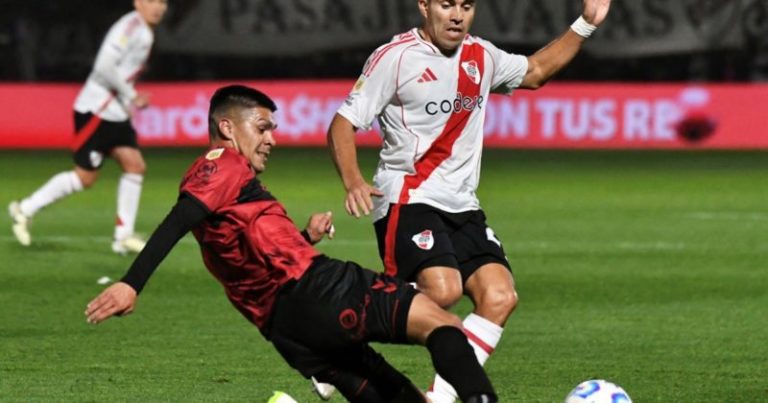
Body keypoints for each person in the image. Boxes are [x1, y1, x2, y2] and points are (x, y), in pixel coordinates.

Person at [84, 85, 499, 403]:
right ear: (227, 127)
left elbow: (242, 257)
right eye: (262, 128)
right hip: (319, 289)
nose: (271, 140)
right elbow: (181, 217)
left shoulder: (228, 189)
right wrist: (131, 283)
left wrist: (302, 239)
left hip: (289, 332)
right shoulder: (222, 163)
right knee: (445, 326)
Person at [327, 0, 612, 401]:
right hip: (408, 195)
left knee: (500, 296)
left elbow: (536, 71)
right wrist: (353, 180)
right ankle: (340, 341)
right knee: (442, 291)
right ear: (424, 6)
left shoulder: (482, 55)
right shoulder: (395, 58)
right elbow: (343, 123)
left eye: (466, 5)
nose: (457, 15)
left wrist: (586, 23)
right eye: (446, 5)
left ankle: (439, 398)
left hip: (463, 204)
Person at [8, 0, 169, 254]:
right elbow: (104, 66)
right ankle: (24, 209)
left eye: (162, 2)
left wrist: (127, 99)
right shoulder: (129, 28)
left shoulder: (145, 31)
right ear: (137, 3)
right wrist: (132, 95)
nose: (158, 7)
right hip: (97, 110)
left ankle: (123, 237)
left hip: (114, 111)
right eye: (151, 1)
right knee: (85, 177)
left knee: (134, 165)